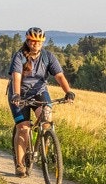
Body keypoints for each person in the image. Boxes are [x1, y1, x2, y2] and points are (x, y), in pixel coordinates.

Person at [8, 27, 76, 176]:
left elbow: (59, 76)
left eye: (38, 41)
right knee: (24, 128)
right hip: (20, 93)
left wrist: (68, 92)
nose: (35, 43)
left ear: (42, 42)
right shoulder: (19, 56)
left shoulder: (48, 57)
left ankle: (44, 144)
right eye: (32, 40)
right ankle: (20, 164)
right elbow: (16, 77)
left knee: (47, 118)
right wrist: (16, 95)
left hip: (39, 92)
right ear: (27, 40)